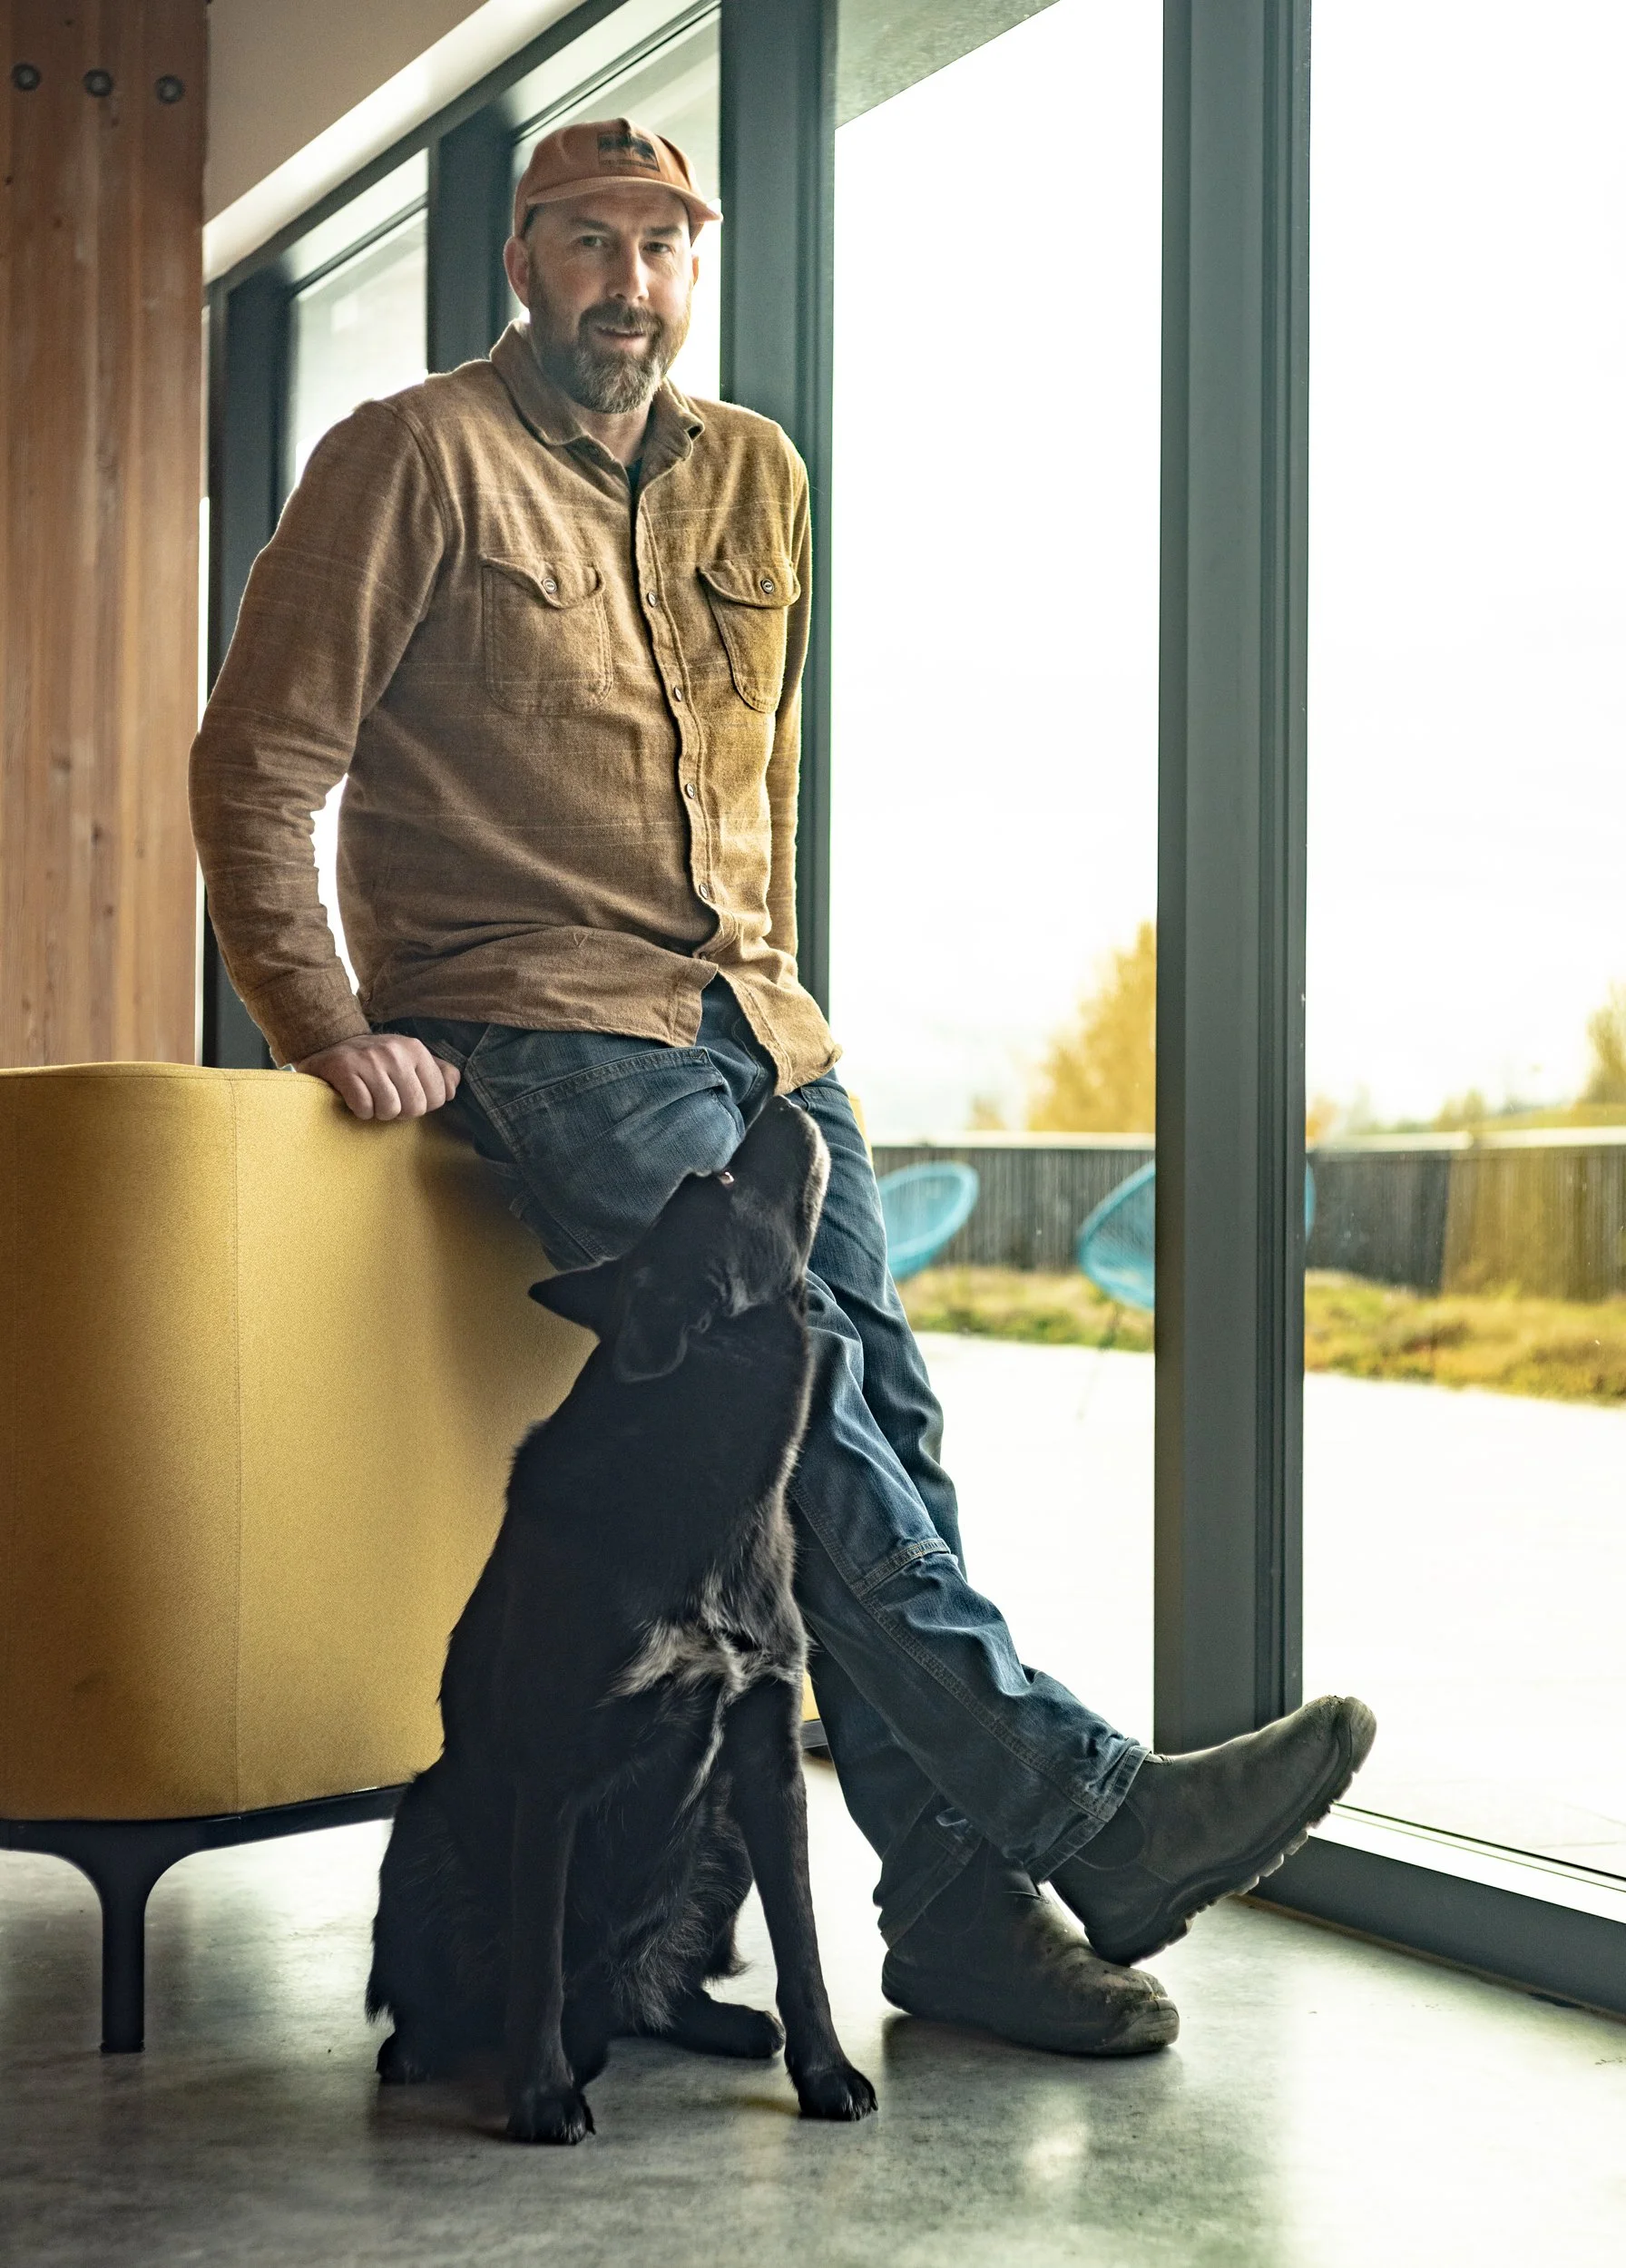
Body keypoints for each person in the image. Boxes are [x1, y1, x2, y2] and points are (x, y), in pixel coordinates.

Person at [191, 116, 1375, 2061]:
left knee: (889, 1429)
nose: (628, 279)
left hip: (758, 1030)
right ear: (522, 261)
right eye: (590, 240)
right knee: (784, 1409)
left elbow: (760, 788)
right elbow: (258, 760)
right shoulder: (410, 458)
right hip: (545, 1014)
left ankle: (958, 1918)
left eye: (663, 244)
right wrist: (322, 1017)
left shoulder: (756, 473)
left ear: (693, 267)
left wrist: (784, 1015)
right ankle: (1089, 1811)